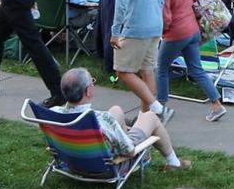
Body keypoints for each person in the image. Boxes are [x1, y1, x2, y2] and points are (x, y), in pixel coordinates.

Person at [53, 68, 190, 170]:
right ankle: (174, 163)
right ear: (88, 91)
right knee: (149, 116)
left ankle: (128, 130)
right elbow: (129, 151)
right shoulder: (102, 120)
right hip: (110, 165)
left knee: (116, 110)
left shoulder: (54, 114)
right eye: (92, 82)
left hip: (73, 160)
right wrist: (143, 141)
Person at [155, 0, 227, 123]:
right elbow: (194, 2)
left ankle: (161, 108)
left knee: (161, 69)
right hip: (193, 29)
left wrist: (161, 32)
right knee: (197, 69)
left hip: (176, 33)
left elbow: (166, 17)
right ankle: (217, 104)